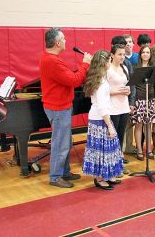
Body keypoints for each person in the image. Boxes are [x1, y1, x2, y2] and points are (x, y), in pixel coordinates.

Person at [40, 27, 92, 188]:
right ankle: (55, 177)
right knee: (60, 144)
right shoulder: (52, 61)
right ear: (57, 43)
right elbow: (74, 81)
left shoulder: (49, 58)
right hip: (58, 108)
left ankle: (64, 172)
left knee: (66, 142)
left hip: (61, 106)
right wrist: (85, 65)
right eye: (63, 39)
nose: (65, 41)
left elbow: (68, 78)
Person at [82, 50, 123, 190]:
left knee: (108, 148)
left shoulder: (100, 78)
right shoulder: (100, 81)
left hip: (100, 117)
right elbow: (102, 106)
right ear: (104, 63)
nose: (110, 61)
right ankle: (99, 178)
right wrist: (110, 125)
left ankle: (108, 175)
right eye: (109, 60)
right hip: (100, 118)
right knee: (101, 149)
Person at [131, 45, 155, 160]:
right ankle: (139, 150)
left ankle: (148, 149)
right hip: (139, 100)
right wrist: (132, 102)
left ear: (150, 54)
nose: (146, 54)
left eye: (148, 52)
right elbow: (132, 85)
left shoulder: (154, 68)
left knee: (148, 125)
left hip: (151, 100)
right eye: (143, 52)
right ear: (140, 54)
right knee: (138, 126)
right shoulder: (135, 67)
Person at [107, 44, 131, 165]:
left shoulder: (125, 68)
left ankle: (118, 161)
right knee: (113, 137)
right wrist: (118, 91)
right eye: (119, 54)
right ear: (112, 55)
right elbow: (102, 91)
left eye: (123, 54)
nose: (122, 57)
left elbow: (127, 86)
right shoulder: (107, 69)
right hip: (112, 108)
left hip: (124, 107)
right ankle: (112, 163)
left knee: (121, 135)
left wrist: (128, 91)